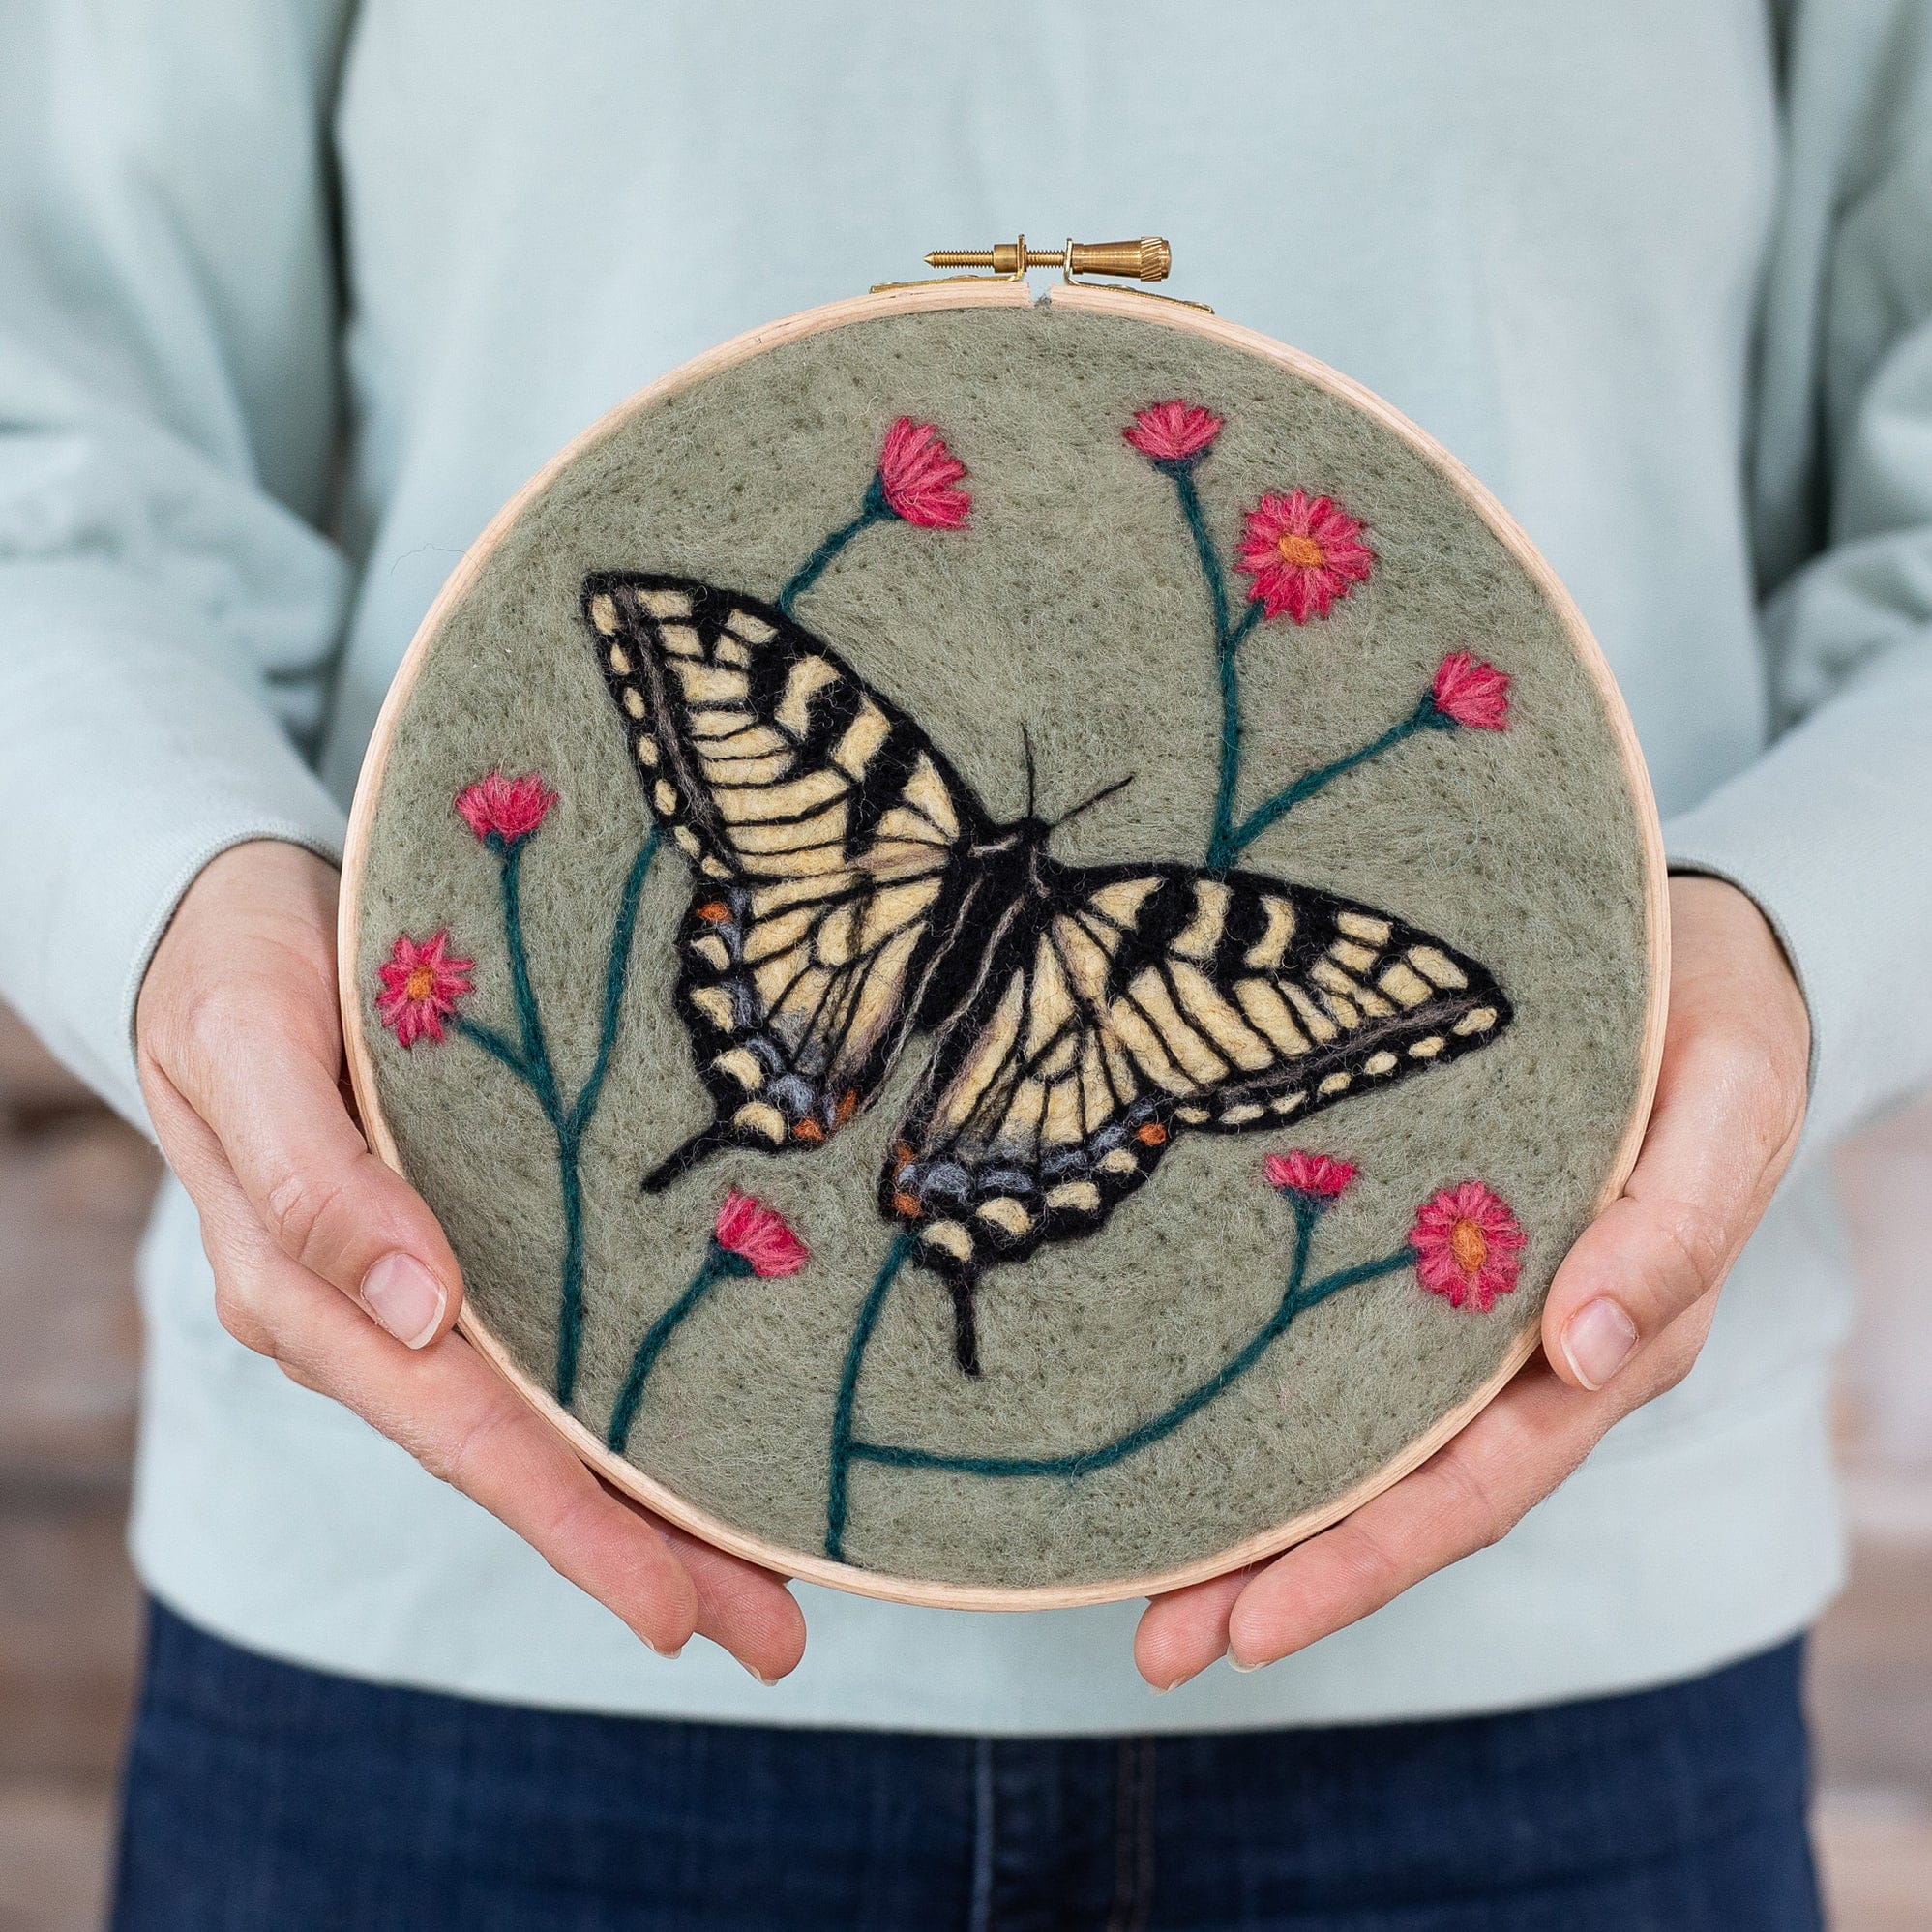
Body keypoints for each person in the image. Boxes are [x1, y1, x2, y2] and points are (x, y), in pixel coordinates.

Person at [2, 4, 1925, 1926]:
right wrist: (176, 909)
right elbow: (53, 439)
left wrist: (1790, 944)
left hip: (1544, 1649)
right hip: (444, 1607)